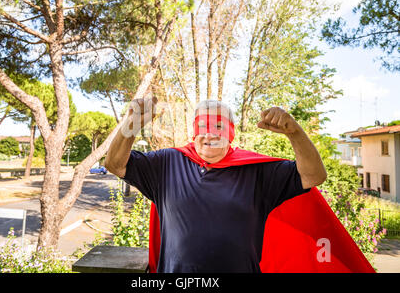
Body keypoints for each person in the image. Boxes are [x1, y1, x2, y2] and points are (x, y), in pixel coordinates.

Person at [105, 98, 329, 273]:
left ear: (230, 131)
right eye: (202, 125)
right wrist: (130, 126)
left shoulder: (257, 170)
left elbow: (314, 175)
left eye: (218, 125)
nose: (210, 133)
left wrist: (295, 133)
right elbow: (115, 164)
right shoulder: (166, 163)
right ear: (194, 131)